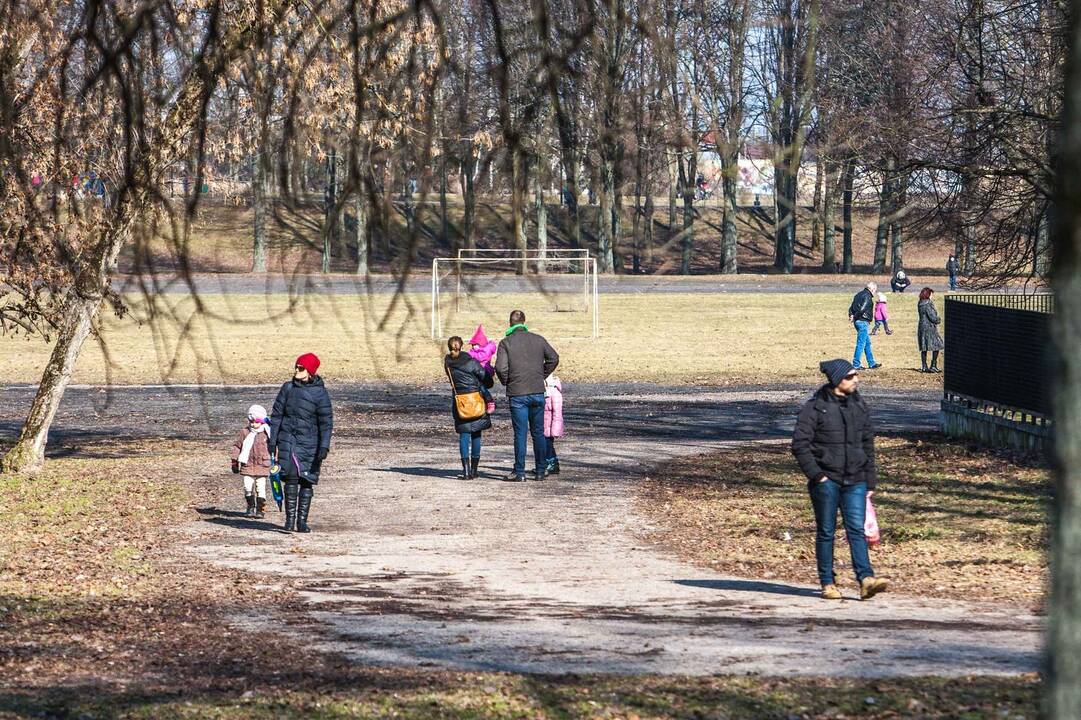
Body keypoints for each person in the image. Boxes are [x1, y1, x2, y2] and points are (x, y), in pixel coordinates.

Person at [791, 359, 889, 601]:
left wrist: (870, 481)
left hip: (856, 479)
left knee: (856, 530)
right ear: (836, 380)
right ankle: (827, 583)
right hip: (827, 481)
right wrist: (818, 475)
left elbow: (868, 444)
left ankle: (866, 579)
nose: (856, 379)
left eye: (856, 375)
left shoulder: (859, 405)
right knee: (826, 531)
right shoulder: (815, 408)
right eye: (850, 376)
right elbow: (799, 445)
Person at [269, 353, 333, 533]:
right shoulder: (287, 388)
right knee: (290, 479)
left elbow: (326, 422)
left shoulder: (320, 394)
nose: (297, 370)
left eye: (301, 368)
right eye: (296, 367)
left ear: (310, 371)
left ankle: (302, 521)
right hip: (288, 440)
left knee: (306, 481)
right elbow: (277, 415)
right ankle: (289, 520)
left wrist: (324, 446)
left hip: (310, 443)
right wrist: (272, 441)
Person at [495, 310, 559, 482]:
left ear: (510, 323)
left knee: (520, 434)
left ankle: (519, 471)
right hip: (537, 391)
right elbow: (553, 358)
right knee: (538, 432)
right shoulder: (538, 339)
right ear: (524, 321)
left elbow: (500, 368)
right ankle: (540, 470)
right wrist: (541, 375)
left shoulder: (505, 343)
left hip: (517, 393)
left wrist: (508, 381)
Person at [445, 335, 493, 479]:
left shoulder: (447, 363)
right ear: (462, 346)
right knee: (476, 434)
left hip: (460, 402)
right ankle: (474, 470)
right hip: (476, 400)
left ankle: (465, 471)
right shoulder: (471, 362)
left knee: (464, 435)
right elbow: (486, 378)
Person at [230, 404, 272, 519]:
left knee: (260, 487)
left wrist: (276, 460)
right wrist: (234, 461)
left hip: (263, 464)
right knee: (247, 486)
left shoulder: (267, 433)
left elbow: (274, 448)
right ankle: (250, 506)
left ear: (262, 422)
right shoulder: (244, 432)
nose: (254, 424)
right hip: (247, 464)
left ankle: (260, 509)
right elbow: (237, 446)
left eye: (257, 422)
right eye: (251, 421)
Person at [848, 282, 882, 370]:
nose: (875, 292)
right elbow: (862, 309)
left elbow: (851, 307)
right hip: (862, 322)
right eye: (875, 290)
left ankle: (872, 363)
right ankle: (856, 364)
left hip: (857, 321)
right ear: (872, 289)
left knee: (867, 343)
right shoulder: (867, 296)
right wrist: (854, 316)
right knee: (861, 344)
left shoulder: (858, 295)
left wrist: (851, 315)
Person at [918, 287, 945, 373]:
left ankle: (924, 366)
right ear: (928, 294)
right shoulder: (928, 303)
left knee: (924, 347)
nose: (932, 296)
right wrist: (938, 319)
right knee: (937, 345)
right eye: (931, 294)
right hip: (929, 327)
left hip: (922, 327)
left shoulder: (920, 303)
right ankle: (933, 365)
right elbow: (932, 317)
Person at [543, 373, 564, 475]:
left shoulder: (553, 393)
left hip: (549, 426)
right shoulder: (550, 392)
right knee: (547, 443)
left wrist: (555, 429)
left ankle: (551, 463)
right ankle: (552, 462)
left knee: (547, 443)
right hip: (545, 424)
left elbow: (557, 414)